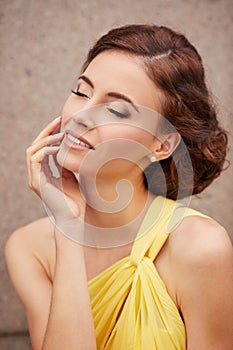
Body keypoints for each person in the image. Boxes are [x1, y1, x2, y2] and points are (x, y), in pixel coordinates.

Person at [5, 24, 233, 350]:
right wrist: (67, 228)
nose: (82, 115)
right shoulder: (28, 248)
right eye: (81, 92)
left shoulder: (200, 247)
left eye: (116, 109)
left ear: (161, 144)